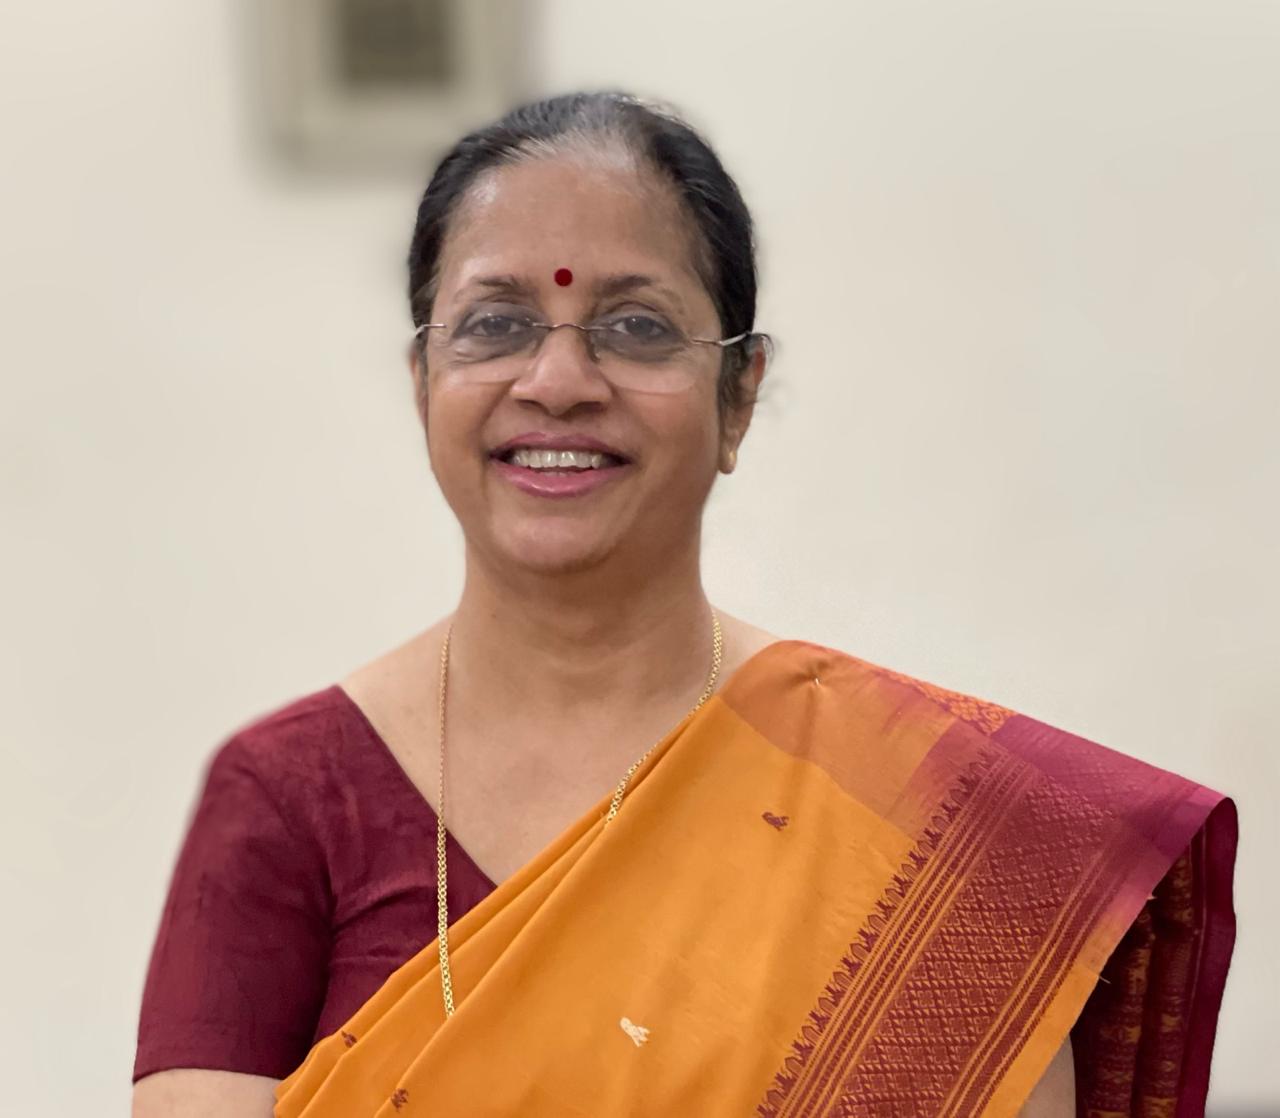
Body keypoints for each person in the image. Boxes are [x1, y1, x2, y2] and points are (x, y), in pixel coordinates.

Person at [131, 91, 1237, 1118]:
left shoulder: (927, 829)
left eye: (637, 327)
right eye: (495, 323)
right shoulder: (287, 801)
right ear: (423, 381)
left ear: (739, 396)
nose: (558, 381)